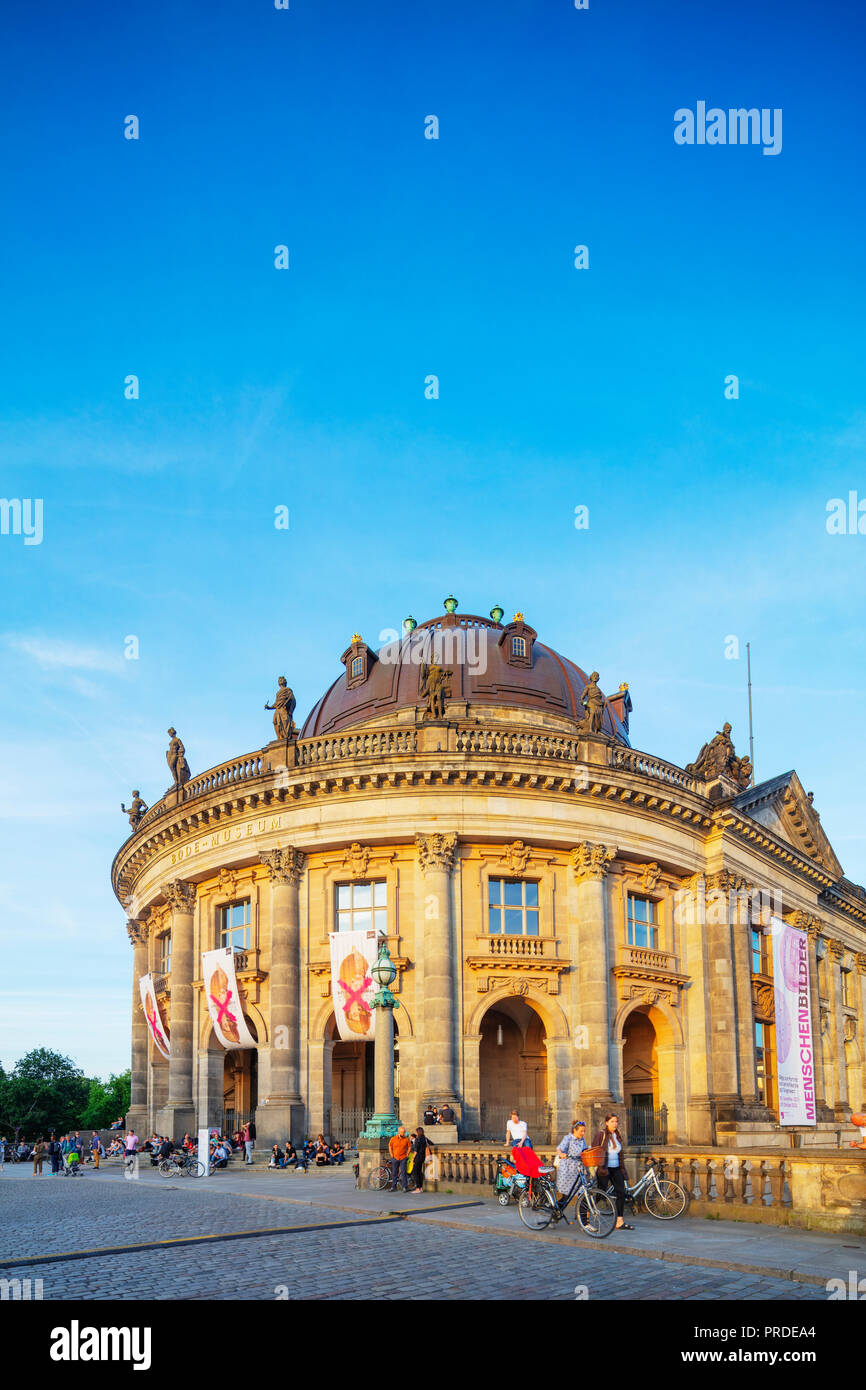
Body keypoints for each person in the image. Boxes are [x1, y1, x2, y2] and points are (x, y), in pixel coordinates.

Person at [593, 1113, 633, 1231]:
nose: (615, 1124)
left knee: (621, 1192)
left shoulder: (617, 1135)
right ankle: (585, 1212)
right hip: (604, 1169)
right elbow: (595, 1150)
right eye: (612, 1121)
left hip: (616, 1168)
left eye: (616, 1121)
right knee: (600, 1194)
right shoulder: (601, 1134)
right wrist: (598, 1166)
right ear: (606, 1123)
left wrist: (622, 1169)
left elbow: (619, 1153)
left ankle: (619, 1221)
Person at [555, 1120, 587, 1209]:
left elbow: (584, 1150)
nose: (583, 1133)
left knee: (583, 1193)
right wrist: (561, 1154)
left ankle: (583, 1219)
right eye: (581, 1131)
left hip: (578, 1169)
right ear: (574, 1130)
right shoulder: (568, 1138)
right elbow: (559, 1149)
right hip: (568, 1170)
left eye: (584, 1131)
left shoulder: (582, 1140)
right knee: (566, 1196)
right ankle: (556, 1210)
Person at [410, 1127, 435, 1193]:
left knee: (415, 1172)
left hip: (417, 1157)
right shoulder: (424, 1138)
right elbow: (432, 1143)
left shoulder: (417, 1139)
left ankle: (418, 1188)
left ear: (418, 1132)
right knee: (419, 1172)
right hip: (422, 1157)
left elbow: (416, 1150)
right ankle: (421, 1188)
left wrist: (413, 1158)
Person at [388, 1125, 411, 1192]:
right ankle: (393, 1186)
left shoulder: (406, 1139)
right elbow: (390, 1146)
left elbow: (409, 1146)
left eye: (404, 1132)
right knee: (394, 1172)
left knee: (404, 1172)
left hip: (403, 1157)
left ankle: (404, 1187)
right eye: (402, 1132)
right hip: (395, 1157)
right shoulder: (393, 1138)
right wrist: (392, 1155)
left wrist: (407, 1154)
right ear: (399, 1132)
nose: (404, 1133)